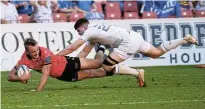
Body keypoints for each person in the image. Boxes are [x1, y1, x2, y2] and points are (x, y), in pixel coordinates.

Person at [57, 18, 198, 86]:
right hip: (134, 36)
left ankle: (137, 72)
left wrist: (56, 57)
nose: (78, 33)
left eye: (78, 30)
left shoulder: (88, 31)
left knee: (105, 67)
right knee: (156, 53)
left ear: (83, 26)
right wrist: (73, 63)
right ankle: (184, 39)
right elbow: (83, 54)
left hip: (128, 43)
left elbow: (72, 47)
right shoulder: (95, 29)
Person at [8, 38, 144, 91]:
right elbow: (10, 76)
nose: (37, 53)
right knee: (95, 73)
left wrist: (38, 90)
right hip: (62, 76)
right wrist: (19, 78)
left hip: (67, 63)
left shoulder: (44, 52)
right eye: (33, 52)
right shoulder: (23, 61)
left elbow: (46, 72)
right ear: (27, 51)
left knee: (98, 63)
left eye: (37, 49)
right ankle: (137, 72)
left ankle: (100, 46)